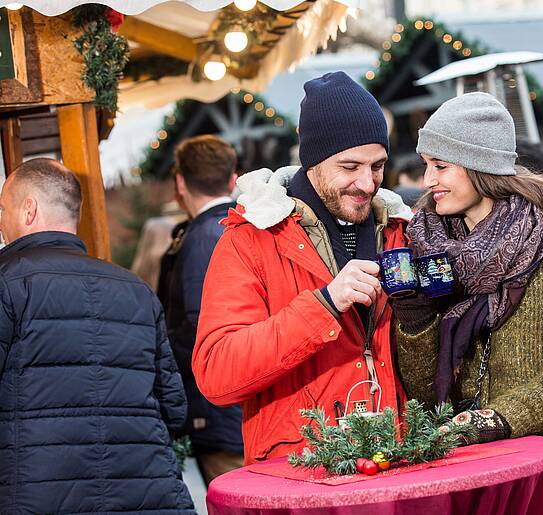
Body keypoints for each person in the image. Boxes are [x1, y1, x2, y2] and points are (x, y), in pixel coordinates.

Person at [394, 93, 543, 514]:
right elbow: (427, 394)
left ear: (481, 166)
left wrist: (503, 417)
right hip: (487, 483)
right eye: (426, 166)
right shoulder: (432, 251)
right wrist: (415, 323)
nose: (427, 180)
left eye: (441, 166)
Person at [193, 72, 413, 464]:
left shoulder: (401, 231)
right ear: (312, 161)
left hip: (392, 465)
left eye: (378, 165)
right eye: (350, 166)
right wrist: (324, 305)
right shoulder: (251, 238)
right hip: (299, 478)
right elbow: (217, 373)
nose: (367, 183)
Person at [0, 159, 193, 513]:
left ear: (29, 210)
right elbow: (174, 407)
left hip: (34, 496)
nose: (1, 223)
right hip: (147, 491)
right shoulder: (135, 289)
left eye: (2, 209)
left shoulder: (6, 285)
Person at [157, 135, 243, 485]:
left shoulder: (201, 236)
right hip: (246, 402)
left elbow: (198, 327)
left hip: (219, 407)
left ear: (180, 183)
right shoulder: (246, 226)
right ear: (233, 179)